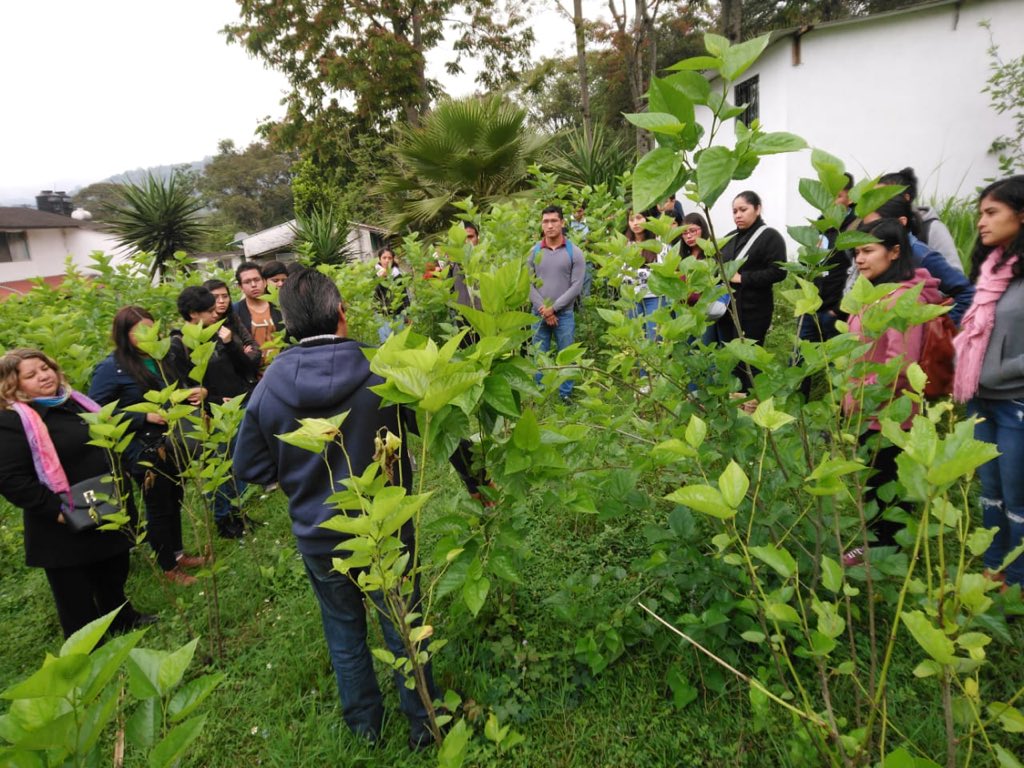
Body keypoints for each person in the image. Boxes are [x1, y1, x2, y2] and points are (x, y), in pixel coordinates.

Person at [233, 268, 481, 749]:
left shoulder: (269, 385)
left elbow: (250, 466)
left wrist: (298, 478)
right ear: (342, 311)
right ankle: (425, 724)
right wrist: (476, 479)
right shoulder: (381, 365)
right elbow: (440, 425)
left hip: (319, 533)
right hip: (387, 527)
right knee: (403, 624)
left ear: (287, 325)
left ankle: (366, 729)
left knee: (343, 628)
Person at [0, 349, 153, 637]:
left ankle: (121, 618)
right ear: (13, 384)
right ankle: (87, 644)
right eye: (31, 375)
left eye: (45, 368)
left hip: (104, 502)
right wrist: (56, 511)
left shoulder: (75, 402)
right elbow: (11, 479)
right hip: (63, 520)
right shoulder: (13, 421)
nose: (43, 376)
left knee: (113, 570)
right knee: (74, 591)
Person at [842, 218, 947, 567]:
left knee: (886, 485)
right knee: (874, 484)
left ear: (895, 252)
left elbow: (900, 366)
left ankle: (886, 556)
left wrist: (862, 392)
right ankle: (874, 546)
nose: (860, 259)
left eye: (868, 251)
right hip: (868, 410)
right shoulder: (874, 294)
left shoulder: (901, 300)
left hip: (888, 414)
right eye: (856, 252)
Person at [89, 307, 210, 585]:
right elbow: (96, 410)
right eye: (139, 330)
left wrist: (195, 392)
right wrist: (142, 416)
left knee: (175, 496)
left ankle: (178, 553)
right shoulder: (112, 367)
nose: (147, 334)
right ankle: (168, 566)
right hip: (142, 446)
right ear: (124, 334)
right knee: (158, 505)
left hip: (173, 440)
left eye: (150, 327)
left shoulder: (161, 357)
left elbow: (174, 391)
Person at [952, 175, 1024, 590]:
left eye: (992, 212)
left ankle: (1018, 581)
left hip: (1016, 401)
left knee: (1018, 496)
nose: (981, 221)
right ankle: (994, 568)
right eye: (980, 213)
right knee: (990, 491)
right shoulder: (994, 269)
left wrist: (1000, 369)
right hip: (981, 399)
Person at [174, 286, 260, 538]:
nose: (216, 314)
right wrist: (212, 400)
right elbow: (185, 390)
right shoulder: (179, 345)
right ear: (193, 313)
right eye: (210, 311)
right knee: (220, 466)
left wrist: (230, 344)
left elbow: (247, 366)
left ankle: (238, 512)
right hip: (212, 414)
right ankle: (224, 518)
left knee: (238, 461)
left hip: (236, 405)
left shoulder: (218, 333)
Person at [707, 191, 787, 392]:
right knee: (730, 357)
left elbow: (779, 272)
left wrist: (743, 278)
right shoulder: (730, 237)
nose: (738, 215)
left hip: (754, 310)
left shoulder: (770, 237)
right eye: (734, 211)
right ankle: (735, 398)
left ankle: (752, 400)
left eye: (743, 209)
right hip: (727, 309)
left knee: (749, 359)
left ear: (757, 209)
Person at [860, 194, 975, 325]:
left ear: (901, 222)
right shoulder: (872, 255)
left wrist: (940, 326)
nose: (867, 232)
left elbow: (967, 293)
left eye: (876, 224)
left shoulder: (921, 255)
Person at [528, 205, 586, 402]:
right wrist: (544, 310)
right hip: (538, 313)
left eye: (554, 221)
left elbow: (576, 286)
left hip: (565, 314)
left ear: (562, 222)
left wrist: (553, 309)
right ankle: (540, 395)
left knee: (567, 354)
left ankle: (565, 395)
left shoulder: (574, 252)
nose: (550, 225)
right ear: (541, 224)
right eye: (546, 221)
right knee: (539, 355)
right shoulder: (534, 252)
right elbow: (527, 284)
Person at [799, 173, 857, 345]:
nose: (831, 202)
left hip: (836, 313)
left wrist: (837, 310)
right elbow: (805, 265)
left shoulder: (856, 228)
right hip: (811, 309)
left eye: (837, 196)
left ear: (850, 198)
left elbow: (857, 272)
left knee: (836, 358)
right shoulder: (817, 227)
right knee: (802, 357)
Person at [879, 167, 963, 273]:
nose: (875, 202)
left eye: (881, 196)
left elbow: (954, 273)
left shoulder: (931, 228)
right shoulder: (871, 226)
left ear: (906, 198)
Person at [622, 208, 668, 343]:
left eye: (639, 218)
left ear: (647, 219)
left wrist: (635, 273)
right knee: (636, 338)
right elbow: (619, 270)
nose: (635, 223)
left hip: (654, 296)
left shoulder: (658, 243)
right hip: (632, 297)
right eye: (631, 220)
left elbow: (664, 268)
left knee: (655, 337)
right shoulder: (625, 245)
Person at [680, 212, 730, 327]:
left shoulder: (712, 254)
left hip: (707, 310)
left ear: (703, 229)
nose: (688, 236)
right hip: (685, 311)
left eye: (693, 231)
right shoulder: (682, 256)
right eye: (684, 233)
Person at [234, 261, 284, 363]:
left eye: (257, 280)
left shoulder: (280, 306)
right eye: (247, 282)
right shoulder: (235, 311)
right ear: (240, 287)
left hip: (281, 366)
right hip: (252, 369)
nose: (253, 285)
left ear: (264, 282)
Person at [374, 248, 410, 343]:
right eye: (384, 258)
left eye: (389, 258)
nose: (387, 260)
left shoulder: (397, 274)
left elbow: (404, 294)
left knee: (400, 341)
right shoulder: (375, 274)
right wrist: (380, 279)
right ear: (379, 259)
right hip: (382, 313)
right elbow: (374, 294)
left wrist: (408, 314)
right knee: (386, 342)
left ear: (393, 259)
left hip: (398, 312)